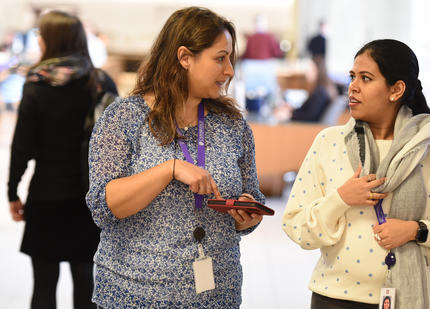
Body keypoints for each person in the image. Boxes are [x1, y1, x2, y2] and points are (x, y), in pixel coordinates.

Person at [282, 39, 430, 309]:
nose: (353, 86)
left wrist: (418, 231)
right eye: (353, 77)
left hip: (420, 297)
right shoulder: (329, 143)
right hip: (336, 298)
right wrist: (341, 198)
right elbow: (296, 226)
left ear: (396, 89)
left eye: (366, 78)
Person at [86, 7, 266, 308]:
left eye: (231, 59)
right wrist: (169, 169)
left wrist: (247, 214)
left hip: (216, 293)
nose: (230, 70)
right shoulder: (124, 118)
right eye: (220, 58)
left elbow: (252, 200)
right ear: (185, 57)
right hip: (135, 294)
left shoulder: (233, 125)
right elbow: (104, 207)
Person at [8, 10, 116, 309]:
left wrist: (12, 190)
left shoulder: (37, 85)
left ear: (51, 41)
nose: (39, 42)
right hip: (89, 198)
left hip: (46, 196)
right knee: (86, 280)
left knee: (43, 283)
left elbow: (22, 146)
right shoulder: (101, 83)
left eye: (42, 36)